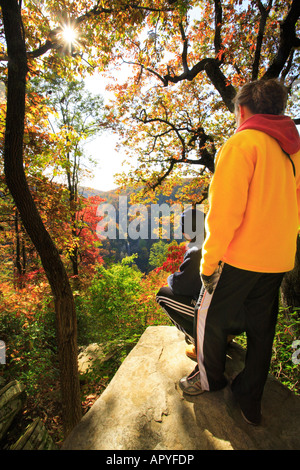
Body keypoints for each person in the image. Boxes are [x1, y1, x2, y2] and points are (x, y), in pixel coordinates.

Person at [179, 79, 300, 426]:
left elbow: (224, 213)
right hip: (278, 258)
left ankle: (209, 380)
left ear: (243, 110)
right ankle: (250, 396)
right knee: (263, 329)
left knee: (208, 319)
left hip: (240, 257)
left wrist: (209, 261)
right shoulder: (293, 150)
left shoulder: (242, 143)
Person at [156, 208, 203, 355]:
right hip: (235, 315)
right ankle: (221, 338)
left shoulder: (197, 251)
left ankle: (202, 343)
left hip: (215, 314)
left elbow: (180, 286)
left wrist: (171, 277)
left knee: (162, 295)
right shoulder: (215, 241)